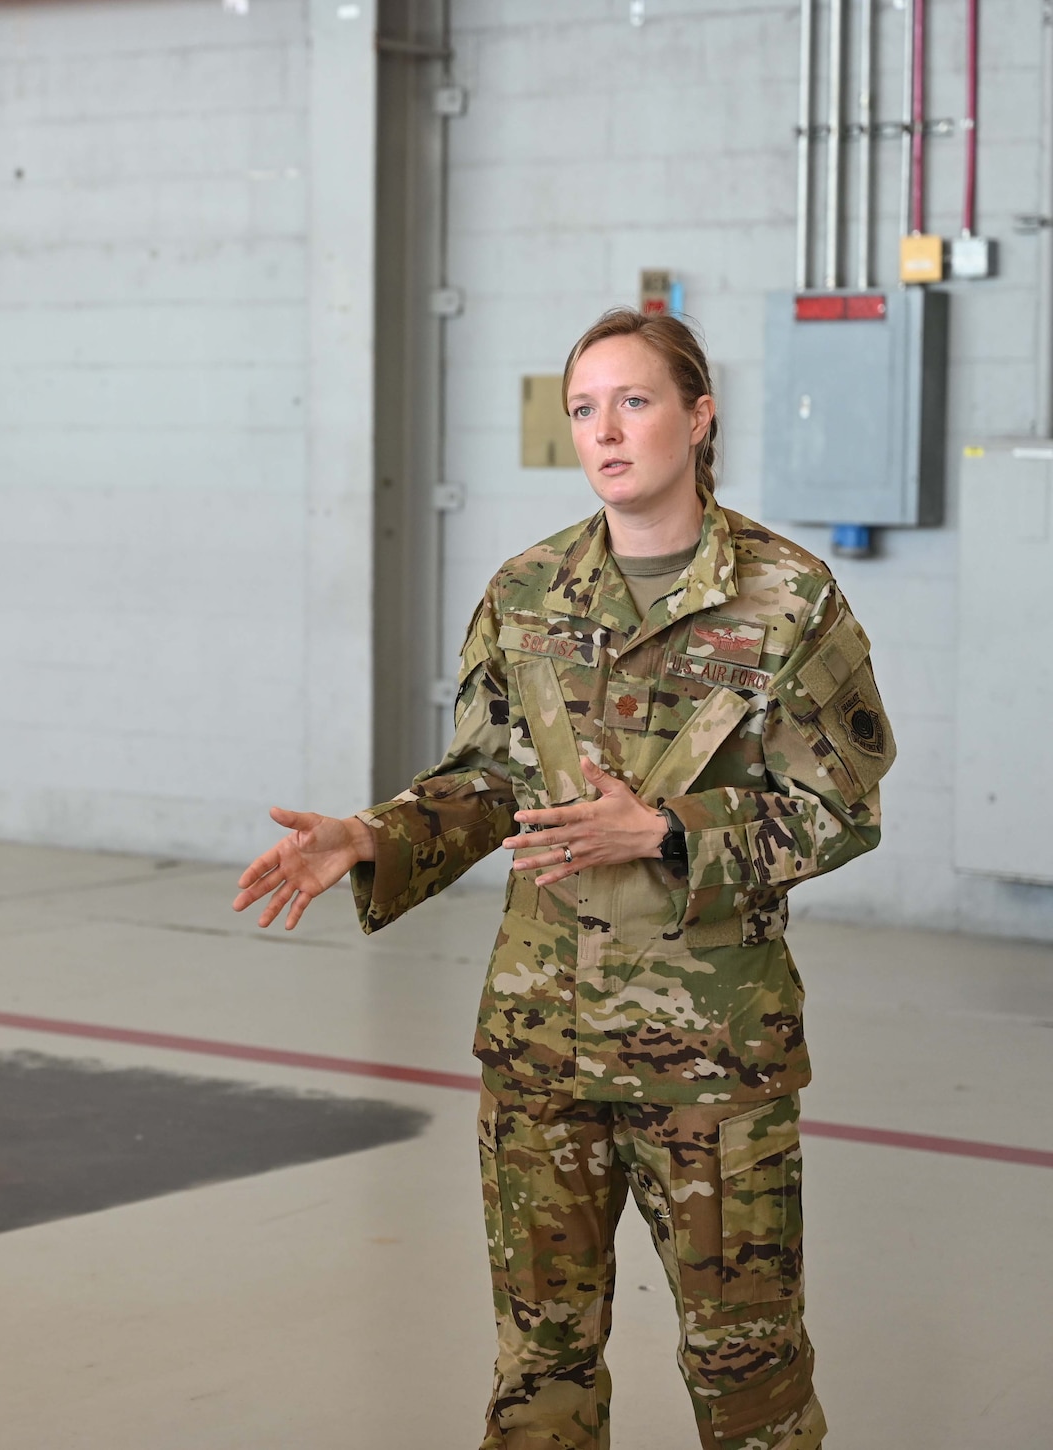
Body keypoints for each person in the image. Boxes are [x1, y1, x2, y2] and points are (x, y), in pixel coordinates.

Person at [234, 308, 892, 1450]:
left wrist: (666, 830)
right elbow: (486, 776)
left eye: (632, 401)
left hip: (710, 1060)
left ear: (697, 416)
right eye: (582, 407)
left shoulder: (787, 597)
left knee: (748, 1374)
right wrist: (371, 835)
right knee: (538, 1371)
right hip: (540, 1048)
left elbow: (840, 804)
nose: (604, 429)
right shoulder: (528, 591)